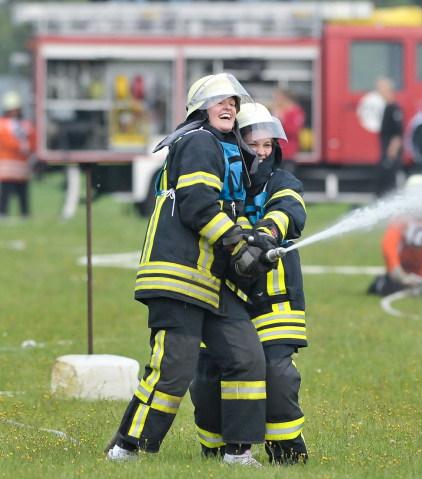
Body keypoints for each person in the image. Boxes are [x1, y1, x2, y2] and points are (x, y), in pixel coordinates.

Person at [105, 73, 272, 467]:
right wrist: (236, 244)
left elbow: (229, 211)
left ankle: (238, 453)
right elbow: (198, 205)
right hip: (179, 276)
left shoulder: (225, 148)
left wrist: (254, 245)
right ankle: (126, 449)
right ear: (200, 108)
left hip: (211, 280)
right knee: (173, 370)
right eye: (219, 101)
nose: (229, 106)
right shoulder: (198, 142)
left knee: (246, 356)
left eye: (233, 101)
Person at [190, 102, 309, 465]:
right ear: (236, 143)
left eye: (268, 145)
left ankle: (286, 451)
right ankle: (215, 449)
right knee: (209, 375)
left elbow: (289, 210)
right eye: (254, 143)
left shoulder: (281, 181)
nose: (262, 152)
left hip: (275, 295)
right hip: (224, 295)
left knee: (276, 373)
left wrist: (264, 234)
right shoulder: (224, 182)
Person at [0, 91, 35, 217]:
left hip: (22, 163)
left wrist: (29, 148)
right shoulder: (2, 124)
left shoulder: (26, 124)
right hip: (7, 164)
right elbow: (6, 141)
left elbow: (33, 139)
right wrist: (21, 146)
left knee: (23, 190)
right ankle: (3, 212)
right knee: (6, 190)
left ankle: (24, 213)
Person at [375, 77, 404, 197]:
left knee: (389, 185)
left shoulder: (394, 109)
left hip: (390, 155)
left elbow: (397, 135)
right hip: (386, 153)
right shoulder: (387, 107)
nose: (378, 91)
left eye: (380, 88)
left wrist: (390, 156)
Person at [272, 88, 305, 171]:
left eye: (278, 98)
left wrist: (281, 119)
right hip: (276, 150)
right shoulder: (279, 110)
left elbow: (293, 131)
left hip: (288, 152)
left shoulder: (295, 111)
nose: (276, 100)